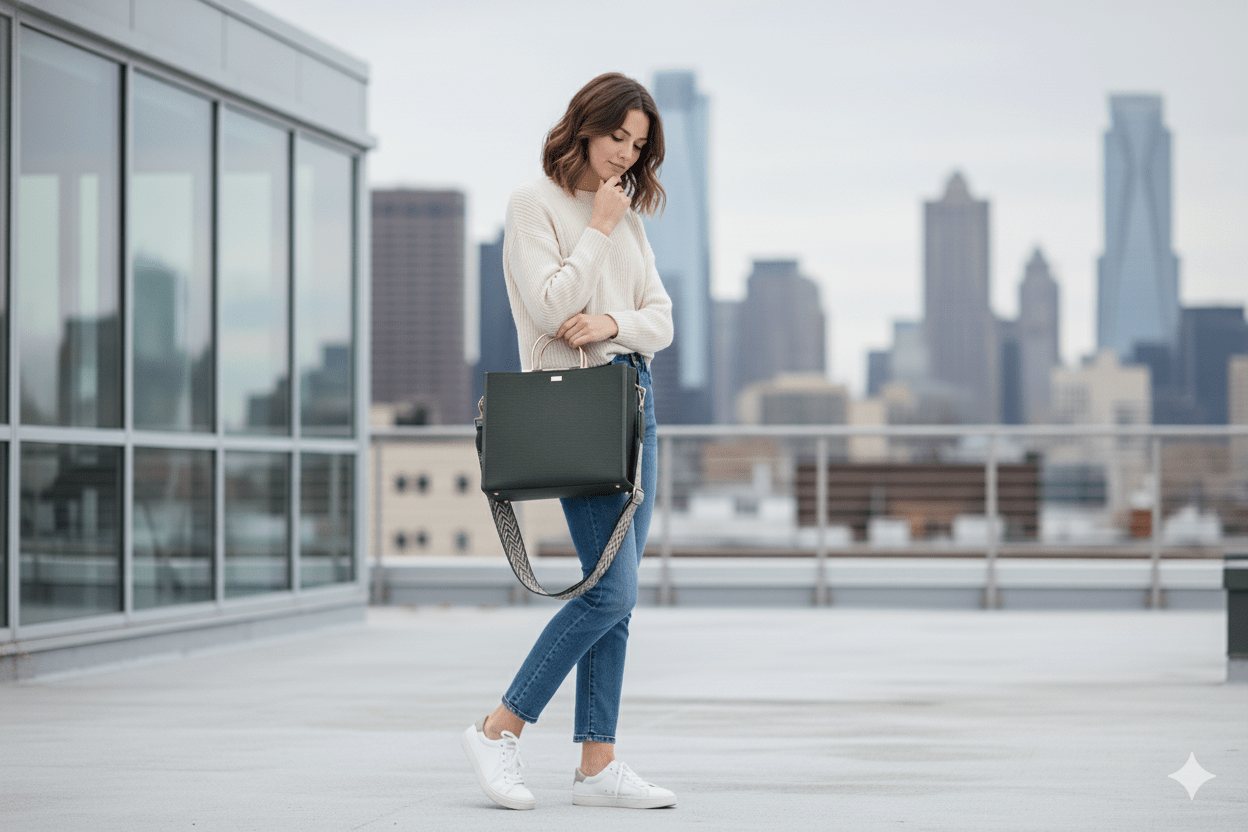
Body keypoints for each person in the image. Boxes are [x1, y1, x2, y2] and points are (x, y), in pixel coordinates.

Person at [461, 72, 676, 811]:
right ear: (584, 126)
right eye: (618, 136)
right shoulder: (535, 205)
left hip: (637, 405)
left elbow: (662, 318)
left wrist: (615, 324)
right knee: (609, 589)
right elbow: (551, 306)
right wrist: (599, 231)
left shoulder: (630, 216)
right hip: (575, 407)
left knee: (620, 597)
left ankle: (597, 763)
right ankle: (499, 728)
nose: (625, 155)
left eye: (639, 144)